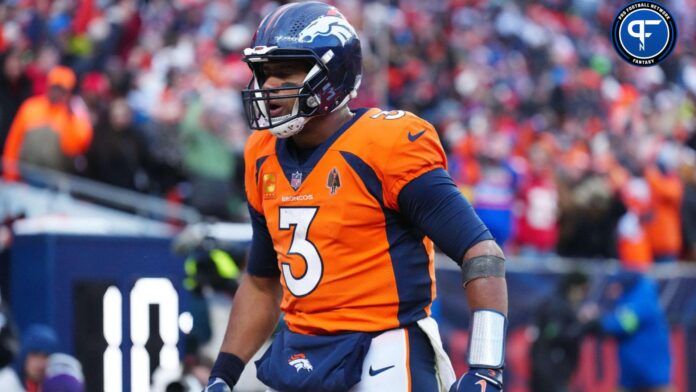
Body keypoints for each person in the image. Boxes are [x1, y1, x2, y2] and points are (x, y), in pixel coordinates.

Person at [205, 3, 508, 392]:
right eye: (264, 73)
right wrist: (222, 377)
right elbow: (263, 283)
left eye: (285, 71)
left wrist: (486, 367)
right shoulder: (260, 154)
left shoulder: (386, 145)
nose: (268, 86)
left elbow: (481, 253)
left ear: (332, 73)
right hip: (301, 353)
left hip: (383, 350)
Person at [581, 271, 672, 392]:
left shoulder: (643, 301)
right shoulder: (630, 300)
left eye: (614, 287)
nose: (610, 293)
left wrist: (597, 323)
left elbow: (624, 324)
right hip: (632, 376)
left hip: (651, 376)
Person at [2, 65, 92, 181]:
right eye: (55, 87)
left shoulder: (71, 115)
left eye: (62, 90)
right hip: (23, 176)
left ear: (68, 92)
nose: (57, 93)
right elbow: (14, 141)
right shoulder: (31, 107)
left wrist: (76, 116)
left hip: (53, 182)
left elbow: (78, 145)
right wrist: (10, 175)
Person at [530, 271, 590, 392]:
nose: (584, 295)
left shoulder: (560, 304)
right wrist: (582, 326)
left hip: (552, 369)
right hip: (551, 371)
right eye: (584, 290)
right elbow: (553, 334)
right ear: (574, 287)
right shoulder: (557, 306)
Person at [0, 324, 59, 392]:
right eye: (35, 355)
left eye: (45, 356)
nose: (40, 363)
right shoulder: (5, 384)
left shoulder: (55, 385)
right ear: (23, 356)